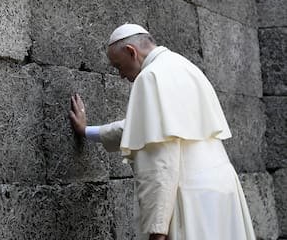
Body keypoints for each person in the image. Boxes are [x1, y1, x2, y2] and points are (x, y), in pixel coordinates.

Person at [69, 24, 256, 240]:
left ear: (132, 51)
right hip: (223, 190)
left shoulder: (149, 77)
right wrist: (86, 131)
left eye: (119, 66)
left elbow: (161, 158)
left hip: (187, 195)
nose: (120, 75)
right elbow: (145, 129)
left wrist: (158, 227)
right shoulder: (185, 66)